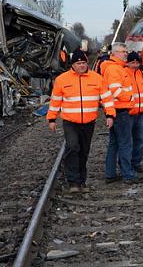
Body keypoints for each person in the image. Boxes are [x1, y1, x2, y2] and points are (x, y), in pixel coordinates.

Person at [47, 49, 114, 192]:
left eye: (84, 63)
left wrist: (110, 115)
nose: (82, 65)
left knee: (84, 151)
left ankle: (82, 181)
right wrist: (51, 118)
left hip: (89, 122)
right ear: (73, 65)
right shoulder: (62, 80)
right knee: (72, 147)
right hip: (70, 121)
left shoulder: (97, 78)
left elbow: (107, 99)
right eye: (78, 63)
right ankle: (73, 183)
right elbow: (55, 101)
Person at [102, 42, 142, 183]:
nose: (126, 54)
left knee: (114, 143)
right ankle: (128, 175)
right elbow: (115, 90)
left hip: (116, 111)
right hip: (120, 111)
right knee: (125, 143)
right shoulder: (114, 69)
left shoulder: (117, 68)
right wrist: (130, 96)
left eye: (126, 51)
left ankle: (110, 174)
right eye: (123, 51)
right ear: (114, 53)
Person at [126, 51, 143, 173]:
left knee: (139, 140)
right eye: (132, 62)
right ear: (128, 63)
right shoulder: (124, 74)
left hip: (140, 113)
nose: (135, 64)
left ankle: (136, 163)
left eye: (137, 62)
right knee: (127, 141)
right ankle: (126, 165)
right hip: (128, 113)